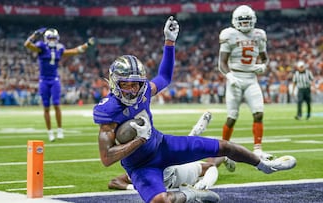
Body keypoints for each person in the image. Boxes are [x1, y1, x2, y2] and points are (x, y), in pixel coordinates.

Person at [93, 16, 296, 203]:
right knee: (160, 201)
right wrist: (139, 140)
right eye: (125, 85)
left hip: (163, 145)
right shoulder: (109, 110)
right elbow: (106, 158)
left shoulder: (144, 91)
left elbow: (164, 78)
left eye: (135, 84)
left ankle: (265, 165)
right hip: (140, 166)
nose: (131, 90)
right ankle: (192, 193)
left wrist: (169, 43)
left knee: (224, 146)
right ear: (114, 83)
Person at [217, 5, 272, 162]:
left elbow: (265, 57)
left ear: (253, 20)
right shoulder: (229, 35)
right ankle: (224, 148)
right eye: (242, 21)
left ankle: (258, 149)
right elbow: (221, 62)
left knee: (259, 113)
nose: (245, 23)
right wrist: (229, 76)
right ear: (235, 21)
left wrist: (263, 65)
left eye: (248, 20)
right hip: (235, 78)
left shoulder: (259, 35)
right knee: (232, 117)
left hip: (251, 78)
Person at [24, 28, 95, 142]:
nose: (52, 40)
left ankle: (60, 130)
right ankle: (50, 132)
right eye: (50, 38)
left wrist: (87, 45)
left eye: (54, 38)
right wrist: (34, 35)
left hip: (54, 79)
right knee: (46, 107)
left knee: (57, 104)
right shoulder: (41, 47)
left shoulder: (59, 48)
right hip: (44, 80)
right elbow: (27, 44)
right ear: (46, 39)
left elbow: (75, 51)